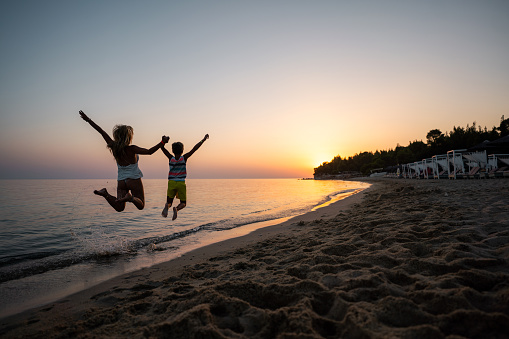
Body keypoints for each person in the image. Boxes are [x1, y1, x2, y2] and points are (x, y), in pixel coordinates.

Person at [79, 110, 169, 212]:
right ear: (128, 137)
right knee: (141, 205)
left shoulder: (114, 147)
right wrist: (162, 142)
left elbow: (101, 131)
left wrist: (88, 120)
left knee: (120, 207)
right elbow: (149, 151)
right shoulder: (132, 149)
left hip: (121, 181)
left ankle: (106, 194)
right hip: (133, 179)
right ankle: (130, 198)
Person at [161, 134, 209, 220]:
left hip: (171, 183)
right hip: (181, 183)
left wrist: (162, 141)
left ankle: (167, 206)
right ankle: (177, 209)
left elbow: (162, 149)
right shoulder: (184, 158)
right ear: (182, 150)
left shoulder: (170, 158)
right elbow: (194, 149)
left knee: (169, 202)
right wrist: (203, 139)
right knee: (183, 203)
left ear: (172, 150)